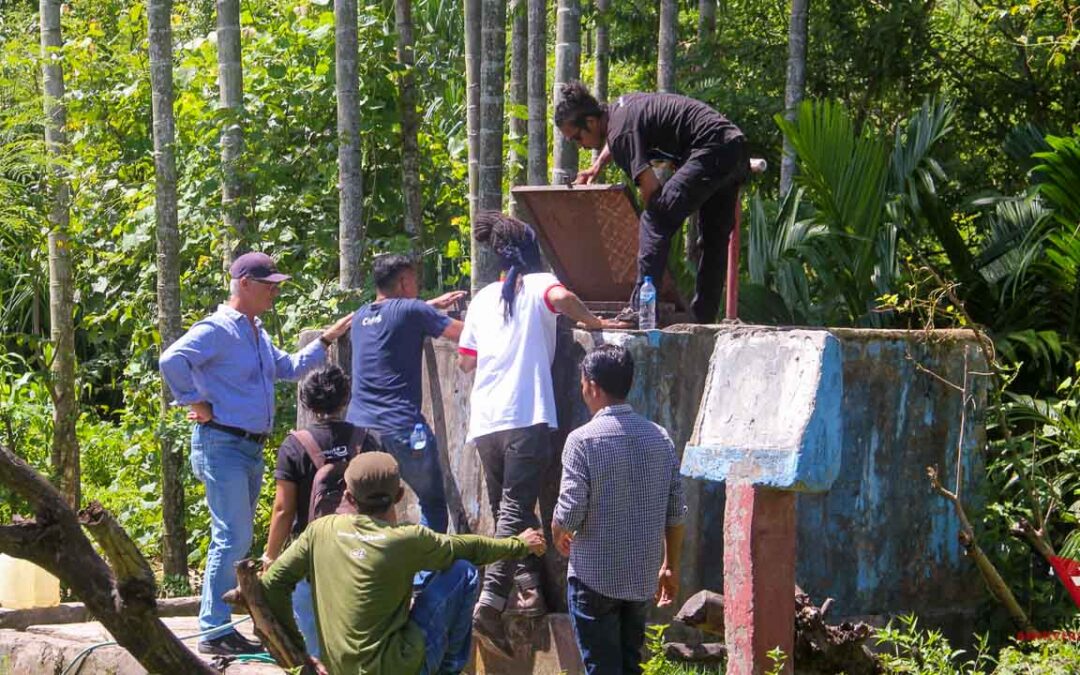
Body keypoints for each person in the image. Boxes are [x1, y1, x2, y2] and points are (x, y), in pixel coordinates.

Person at [159, 251, 352, 656]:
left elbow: (289, 367)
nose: (275, 292)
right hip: (222, 443)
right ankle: (213, 630)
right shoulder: (217, 329)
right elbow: (171, 359)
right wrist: (195, 401)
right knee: (232, 536)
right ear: (244, 284)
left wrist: (327, 339)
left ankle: (221, 624)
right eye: (269, 285)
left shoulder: (256, 331)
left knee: (235, 538)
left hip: (249, 446)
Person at [458, 211, 621, 657]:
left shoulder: (482, 298)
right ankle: (490, 603)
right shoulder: (539, 285)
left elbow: (465, 362)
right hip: (525, 414)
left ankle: (528, 589)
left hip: (485, 420)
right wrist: (594, 324)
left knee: (505, 507)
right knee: (513, 511)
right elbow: (565, 298)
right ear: (532, 253)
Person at [259, 451, 548, 675]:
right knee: (464, 572)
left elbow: (272, 583)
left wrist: (300, 650)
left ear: (349, 497)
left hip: (338, 668)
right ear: (399, 496)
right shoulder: (405, 540)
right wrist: (518, 544)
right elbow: (470, 548)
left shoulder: (320, 531)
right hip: (399, 667)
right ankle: (448, 670)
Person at [554, 81, 749, 325]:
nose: (580, 145)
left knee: (655, 218)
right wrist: (597, 166)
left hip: (709, 148)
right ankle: (703, 317)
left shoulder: (620, 130)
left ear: (591, 123)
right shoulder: (619, 112)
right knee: (714, 240)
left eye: (576, 138)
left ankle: (641, 309)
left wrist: (652, 227)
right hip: (733, 147)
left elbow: (651, 188)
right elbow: (620, 140)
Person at [552, 344, 687, 675]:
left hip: (593, 578)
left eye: (583, 382)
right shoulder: (660, 438)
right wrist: (670, 565)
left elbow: (569, 511)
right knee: (630, 665)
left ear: (593, 386)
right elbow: (676, 509)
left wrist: (558, 531)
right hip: (640, 579)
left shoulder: (582, 440)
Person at [263, 364, 383, 658]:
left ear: (306, 402)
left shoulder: (295, 446)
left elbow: (283, 509)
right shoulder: (366, 440)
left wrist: (271, 556)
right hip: (360, 554)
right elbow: (384, 502)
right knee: (359, 643)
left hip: (311, 558)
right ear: (345, 400)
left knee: (314, 648)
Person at [346, 254, 467, 534]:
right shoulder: (413, 311)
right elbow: (463, 333)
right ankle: (425, 574)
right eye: (414, 280)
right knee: (434, 502)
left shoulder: (362, 315)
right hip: (402, 426)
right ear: (402, 281)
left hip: (360, 430)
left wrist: (430, 307)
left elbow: (395, 317)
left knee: (367, 507)